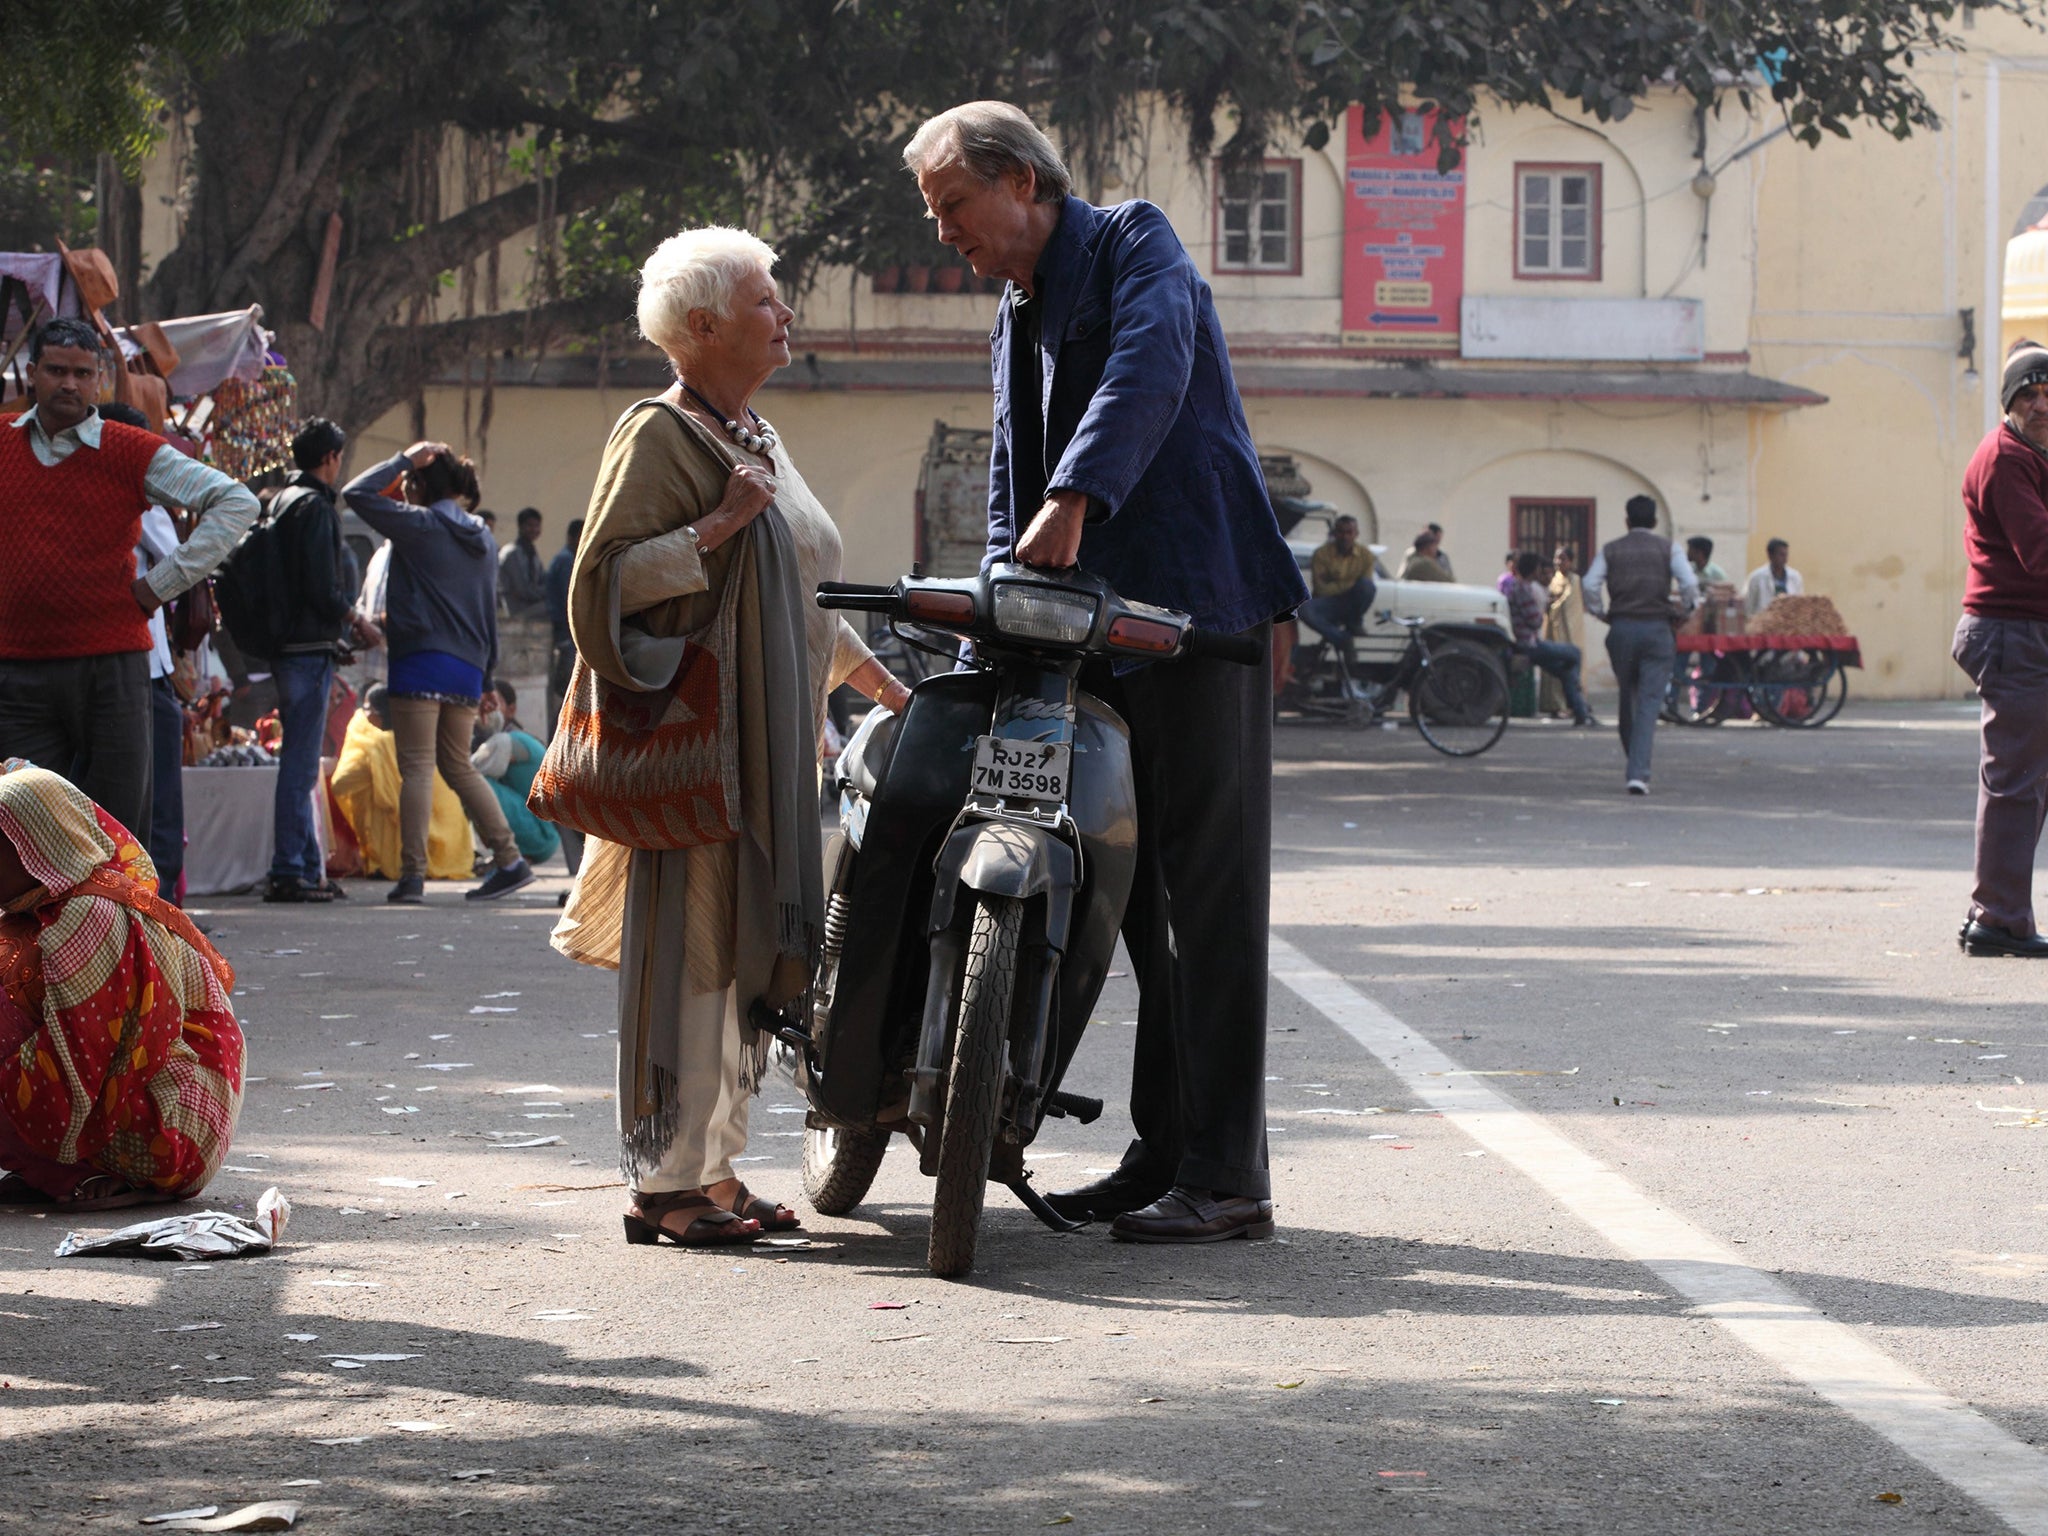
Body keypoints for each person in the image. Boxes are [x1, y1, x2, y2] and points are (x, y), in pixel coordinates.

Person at [907, 100, 1306, 1243]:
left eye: (954, 207)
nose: (946, 233)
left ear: (1023, 181)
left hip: (1198, 611)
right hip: (1088, 630)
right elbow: (1003, 476)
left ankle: (1228, 1177)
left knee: (1208, 903)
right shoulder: (1011, 312)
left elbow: (1150, 362)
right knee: (1134, 902)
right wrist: (994, 602)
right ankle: (1165, 1152)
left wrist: (1077, 495)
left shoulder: (1136, 242)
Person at [550, 225, 909, 1249]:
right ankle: (663, 1185)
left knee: (743, 966)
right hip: (699, 756)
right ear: (701, 325)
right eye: (765, 300)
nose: (785, 314)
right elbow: (601, 589)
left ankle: (716, 1169)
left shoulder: (756, 433)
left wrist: (881, 685)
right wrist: (710, 531)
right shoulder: (659, 435)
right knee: (686, 964)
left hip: (774, 755)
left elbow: (798, 596)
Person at [0, 318, 258, 836]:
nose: (68, 383)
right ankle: (38, 923)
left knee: (115, 834)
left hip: (110, 668)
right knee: (21, 836)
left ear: (99, 380)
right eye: (55, 370)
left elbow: (236, 502)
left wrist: (159, 587)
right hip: (17, 671)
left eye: (81, 372)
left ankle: (117, 923)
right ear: (32, 375)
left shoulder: (129, 449)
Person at [0, 762, 242, 1209]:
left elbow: (82, 1054)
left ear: (37, 846)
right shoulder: (44, 905)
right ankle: (56, 1163)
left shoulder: (90, 913)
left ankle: (89, 1167)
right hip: (136, 1099)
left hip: (172, 1129)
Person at [341, 442, 533, 904]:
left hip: (421, 658)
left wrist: (406, 457)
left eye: (410, 483)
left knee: (417, 769)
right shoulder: (483, 537)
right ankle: (510, 860)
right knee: (458, 766)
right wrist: (486, 676)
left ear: (422, 485)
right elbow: (488, 610)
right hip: (467, 667)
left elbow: (356, 493)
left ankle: (412, 877)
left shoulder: (419, 525)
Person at [1953, 340, 2048, 958]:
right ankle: (1997, 917)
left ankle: (2000, 911)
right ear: (2009, 403)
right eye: (2029, 395)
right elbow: (2040, 553)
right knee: (2015, 780)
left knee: (2024, 780)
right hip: (2012, 632)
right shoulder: (2008, 457)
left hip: (2021, 631)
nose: (2041, 404)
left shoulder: (2031, 453)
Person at [261, 418, 357, 905]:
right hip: (305, 649)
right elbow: (322, 588)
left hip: (285, 646)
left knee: (297, 762)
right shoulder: (315, 507)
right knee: (299, 765)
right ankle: (290, 869)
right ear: (331, 459)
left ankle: (301, 867)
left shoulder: (279, 501)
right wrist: (355, 620)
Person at [1584, 495, 1698, 795]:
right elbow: (1688, 584)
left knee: (1628, 696)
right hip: (1657, 630)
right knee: (1648, 703)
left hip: (1621, 629)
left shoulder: (1611, 550)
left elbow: (1589, 585)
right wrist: (1687, 610)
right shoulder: (1668, 548)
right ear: (1655, 522)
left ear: (1627, 521)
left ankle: (1633, 760)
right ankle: (1638, 773)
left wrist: (1600, 613)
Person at [329, 685, 475, 881]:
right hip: (452, 843)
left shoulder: (374, 745)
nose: (362, 715)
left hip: (408, 837)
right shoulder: (421, 736)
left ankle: (400, 864)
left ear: (377, 715)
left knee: (378, 798)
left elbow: (341, 784)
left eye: (366, 709)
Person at [470, 688, 558, 866]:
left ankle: (507, 855)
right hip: (543, 833)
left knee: (472, 786)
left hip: (539, 834)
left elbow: (468, 771)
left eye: (494, 702)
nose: (486, 708)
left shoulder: (506, 742)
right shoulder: (513, 737)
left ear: (510, 710)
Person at [1508, 550, 1593, 726]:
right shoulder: (1524, 589)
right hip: (1529, 644)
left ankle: (1579, 709)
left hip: (1528, 641)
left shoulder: (1520, 586)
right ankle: (1579, 707)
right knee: (1575, 653)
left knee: (1566, 671)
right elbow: (1535, 620)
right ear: (1533, 570)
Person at [1297, 514, 1377, 658]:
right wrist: (1351, 584)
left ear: (1356, 534)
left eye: (1349, 532)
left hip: (1353, 605)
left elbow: (1366, 586)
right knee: (1304, 609)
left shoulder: (1366, 555)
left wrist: (1335, 584)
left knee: (1367, 587)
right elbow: (1321, 589)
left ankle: (1353, 623)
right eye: (1341, 532)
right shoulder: (1321, 554)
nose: (1345, 536)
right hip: (1328, 603)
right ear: (1335, 533)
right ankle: (1343, 640)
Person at [1540, 545, 1585, 718]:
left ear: (1571, 562)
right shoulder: (1553, 579)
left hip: (1568, 633)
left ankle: (1572, 705)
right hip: (1552, 630)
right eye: (1556, 558)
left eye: (1563, 558)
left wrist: (1553, 603)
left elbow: (1568, 604)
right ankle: (1553, 705)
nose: (1558, 562)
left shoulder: (1575, 580)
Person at [498, 506, 550, 619]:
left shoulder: (532, 552)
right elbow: (523, 590)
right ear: (520, 527)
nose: (534, 529)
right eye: (530, 525)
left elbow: (544, 581)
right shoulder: (511, 553)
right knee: (555, 608)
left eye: (537, 526)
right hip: (517, 610)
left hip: (532, 605)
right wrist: (545, 592)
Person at [1744, 538, 1803, 620]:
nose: (1785, 558)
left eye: (1786, 555)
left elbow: (1799, 603)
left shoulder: (1795, 577)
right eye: (1781, 555)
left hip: (1788, 623)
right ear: (1770, 555)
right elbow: (1749, 606)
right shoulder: (1757, 578)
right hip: (1764, 623)